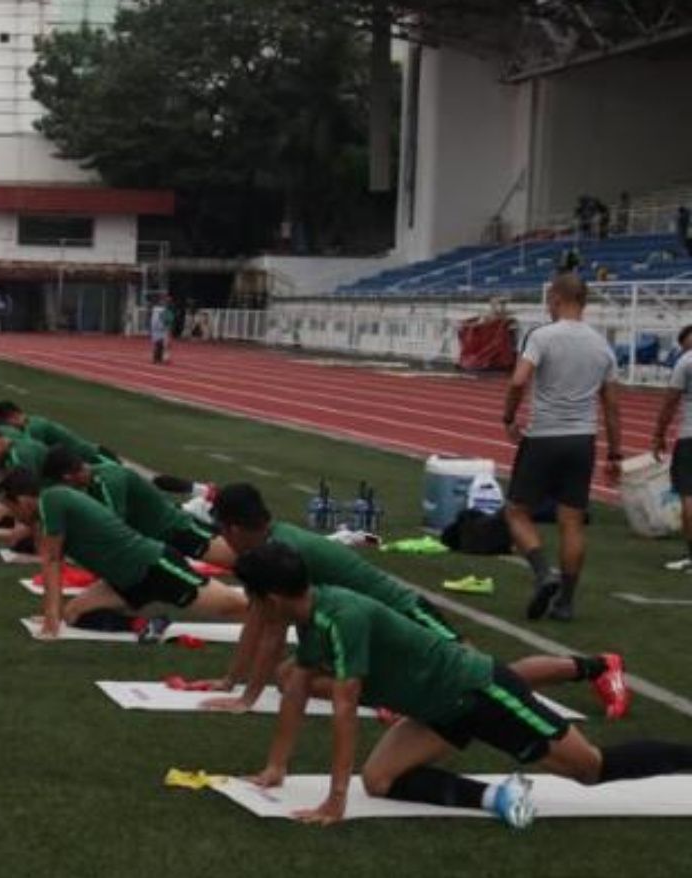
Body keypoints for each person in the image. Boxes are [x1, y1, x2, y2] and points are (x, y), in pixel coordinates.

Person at [231, 543, 692, 828]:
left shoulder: (341, 617)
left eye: (253, 599)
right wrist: (276, 766)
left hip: (478, 691)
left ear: (270, 599)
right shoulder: (312, 618)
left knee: (590, 769)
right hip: (438, 710)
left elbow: (346, 709)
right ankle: (498, 796)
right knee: (379, 780)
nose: (252, 607)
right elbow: (295, 690)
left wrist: (334, 802)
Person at [204, 483, 628, 718]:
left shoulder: (284, 550)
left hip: (404, 613)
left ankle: (594, 666)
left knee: (483, 679)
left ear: (236, 528)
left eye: (221, 529)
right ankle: (395, 696)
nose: (221, 539)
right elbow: (259, 621)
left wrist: (245, 698)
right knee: (289, 676)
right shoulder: (267, 548)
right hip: (373, 626)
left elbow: (272, 631)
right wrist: (231, 680)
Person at [0, 468, 247, 639]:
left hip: (153, 566)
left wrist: (51, 619)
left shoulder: (51, 500)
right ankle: (149, 624)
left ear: (23, 499)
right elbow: (49, 555)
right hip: (123, 581)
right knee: (73, 614)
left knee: (234, 606)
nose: (13, 515)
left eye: (10, 506)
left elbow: (51, 562)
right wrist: (54, 614)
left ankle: (279, 614)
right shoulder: (47, 508)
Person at [501, 273, 621, 621]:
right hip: (582, 440)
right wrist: (615, 453)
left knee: (517, 511)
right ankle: (566, 602)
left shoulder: (542, 336)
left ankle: (542, 572)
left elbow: (519, 379)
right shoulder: (602, 345)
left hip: (544, 437)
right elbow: (612, 406)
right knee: (572, 522)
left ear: (555, 298)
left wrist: (508, 416)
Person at [42, 446, 235, 566]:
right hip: (160, 539)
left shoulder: (106, 482)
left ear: (66, 477)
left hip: (177, 530)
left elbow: (111, 528)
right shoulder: (95, 481)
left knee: (240, 559)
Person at [655, 324, 692, 572]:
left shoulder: (685, 362)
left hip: (690, 436)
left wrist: (658, 434)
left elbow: (670, 401)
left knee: (689, 496)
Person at [0, 401, 115, 465]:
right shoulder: (31, 423)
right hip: (87, 461)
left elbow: (35, 457)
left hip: (97, 458)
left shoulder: (34, 427)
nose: (10, 430)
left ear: (13, 417)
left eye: (7, 425)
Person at [149, 296, 171, 365]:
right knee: (160, 345)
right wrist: (165, 327)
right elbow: (166, 320)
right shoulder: (162, 311)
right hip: (161, 329)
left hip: (155, 329)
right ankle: (159, 359)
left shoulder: (155, 310)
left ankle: (156, 359)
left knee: (158, 345)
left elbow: (153, 321)